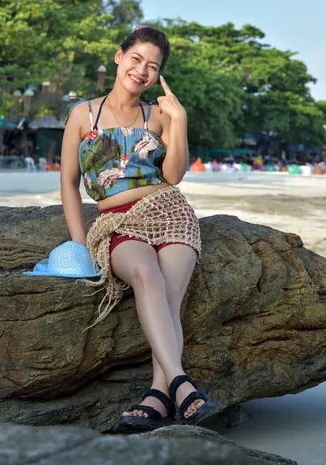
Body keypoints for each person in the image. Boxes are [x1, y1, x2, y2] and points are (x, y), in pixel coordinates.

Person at [60, 26, 215, 431]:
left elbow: (175, 174)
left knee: (171, 294)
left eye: (153, 66)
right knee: (146, 275)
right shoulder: (83, 114)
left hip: (168, 209)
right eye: (136, 59)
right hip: (115, 220)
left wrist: (178, 121)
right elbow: (69, 184)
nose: (142, 71)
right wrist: (80, 243)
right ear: (118, 57)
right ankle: (180, 384)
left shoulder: (159, 115)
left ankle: (158, 393)